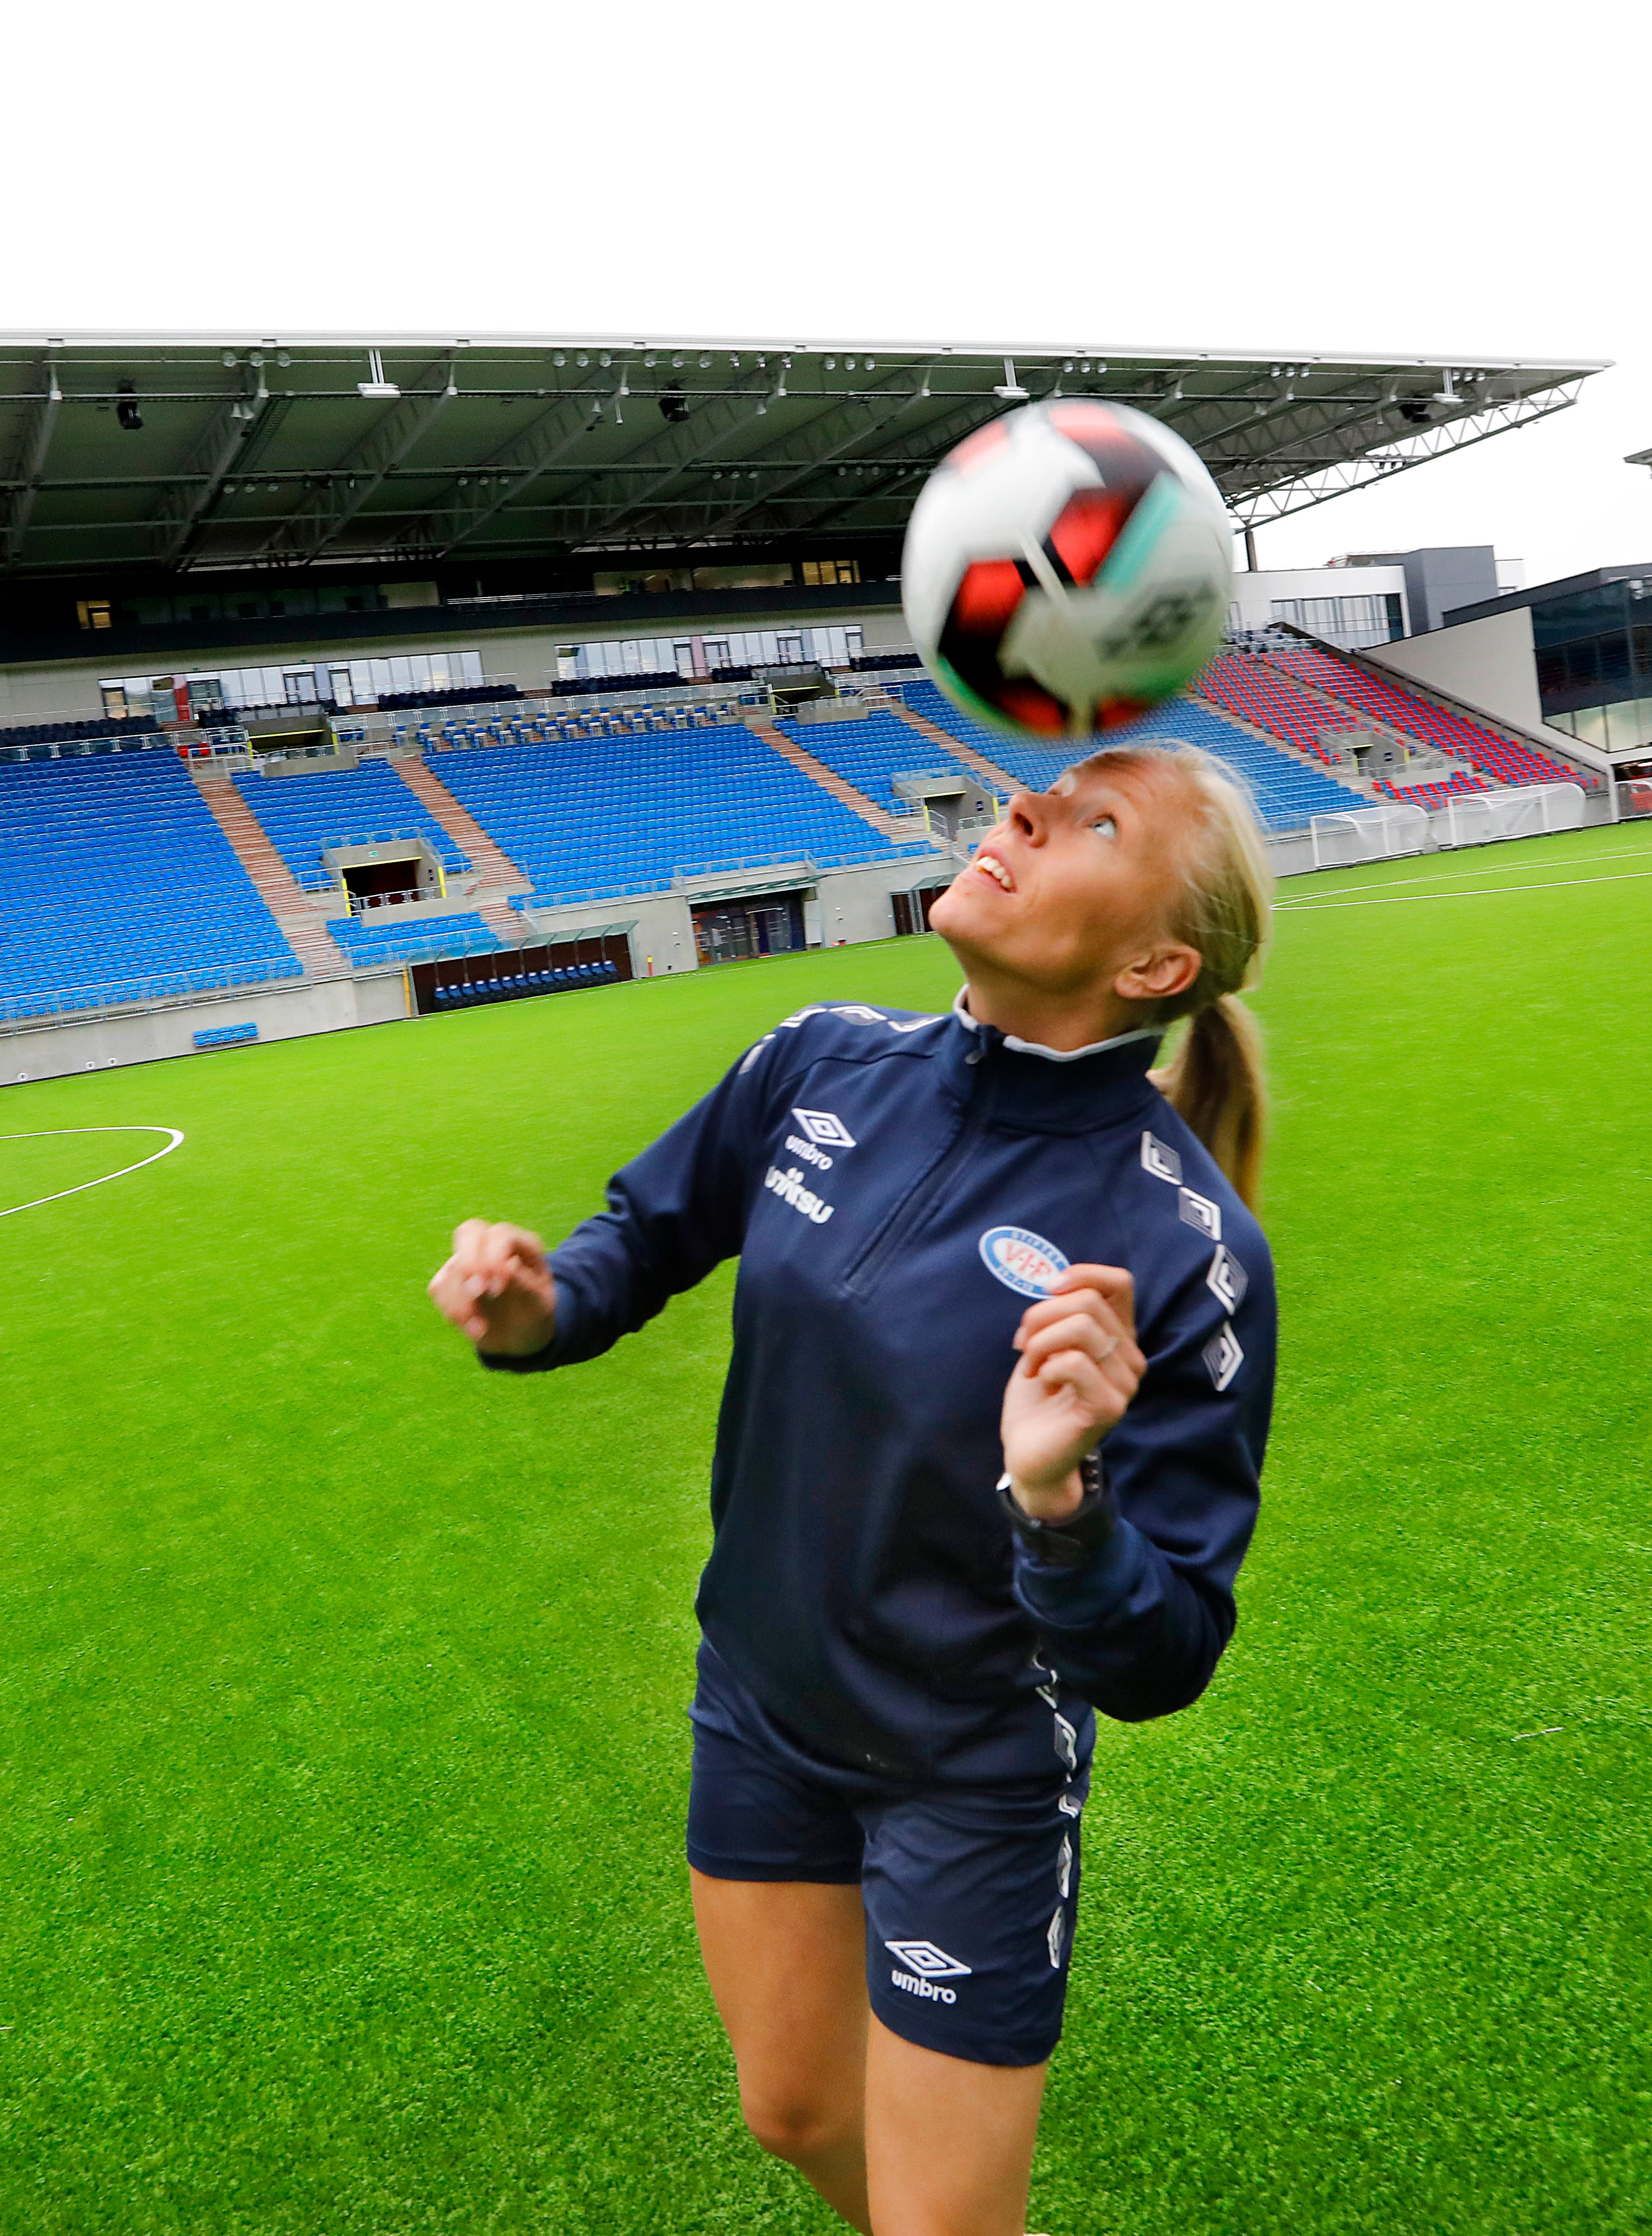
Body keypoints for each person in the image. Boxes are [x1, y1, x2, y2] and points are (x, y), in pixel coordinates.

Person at [428, 744, 1278, 2235]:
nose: (1021, 808)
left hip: (969, 1769)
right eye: (1042, 791)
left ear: (1155, 967)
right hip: (759, 1702)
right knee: (796, 2113)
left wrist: (1062, 1508)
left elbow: (1170, 1652)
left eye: (1095, 821)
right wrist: (539, 1308)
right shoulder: (819, 1057)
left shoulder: (1185, 1249)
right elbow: (644, 1234)